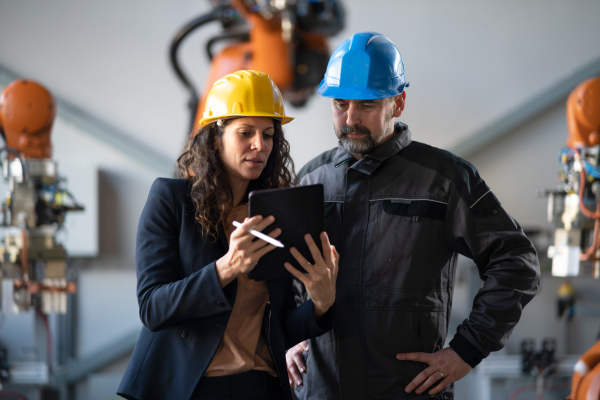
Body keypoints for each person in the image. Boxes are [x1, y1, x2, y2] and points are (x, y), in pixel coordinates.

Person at [285, 31, 541, 400]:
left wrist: (466, 351)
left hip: (408, 390)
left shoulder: (445, 179)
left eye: (367, 105)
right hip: (325, 388)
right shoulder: (311, 179)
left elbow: (517, 261)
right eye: (340, 103)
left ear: (398, 103)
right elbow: (289, 271)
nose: (350, 118)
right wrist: (291, 335)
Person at [117, 69, 339, 400]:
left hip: (260, 386)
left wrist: (322, 302)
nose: (259, 145)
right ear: (216, 137)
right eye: (245, 132)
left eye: (268, 134)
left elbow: (283, 328)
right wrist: (226, 268)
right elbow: (152, 308)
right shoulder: (171, 199)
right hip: (189, 388)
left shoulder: (277, 212)